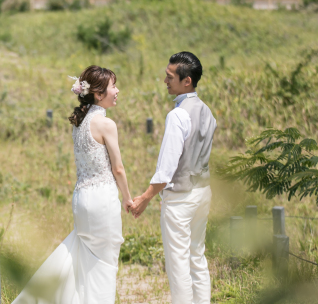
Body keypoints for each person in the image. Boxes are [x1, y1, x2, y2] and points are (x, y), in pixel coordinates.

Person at [12, 65, 133, 304]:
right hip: (102, 200)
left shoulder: (80, 122)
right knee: (105, 264)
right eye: (113, 86)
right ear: (98, 93)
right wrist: (128, 198)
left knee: (82, 262)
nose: (117, 90)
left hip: (81, 199)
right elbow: (118, 168)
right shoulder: (106, 124)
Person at [130, 52, 216, 304]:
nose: (165, 81)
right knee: (197, 257)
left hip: (180, 198)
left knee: (178, 264)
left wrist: (145, 197)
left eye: (169, 77)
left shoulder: (177, 115)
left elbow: (166, 169)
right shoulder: (206, 110)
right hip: (203, 192)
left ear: (186, 80)